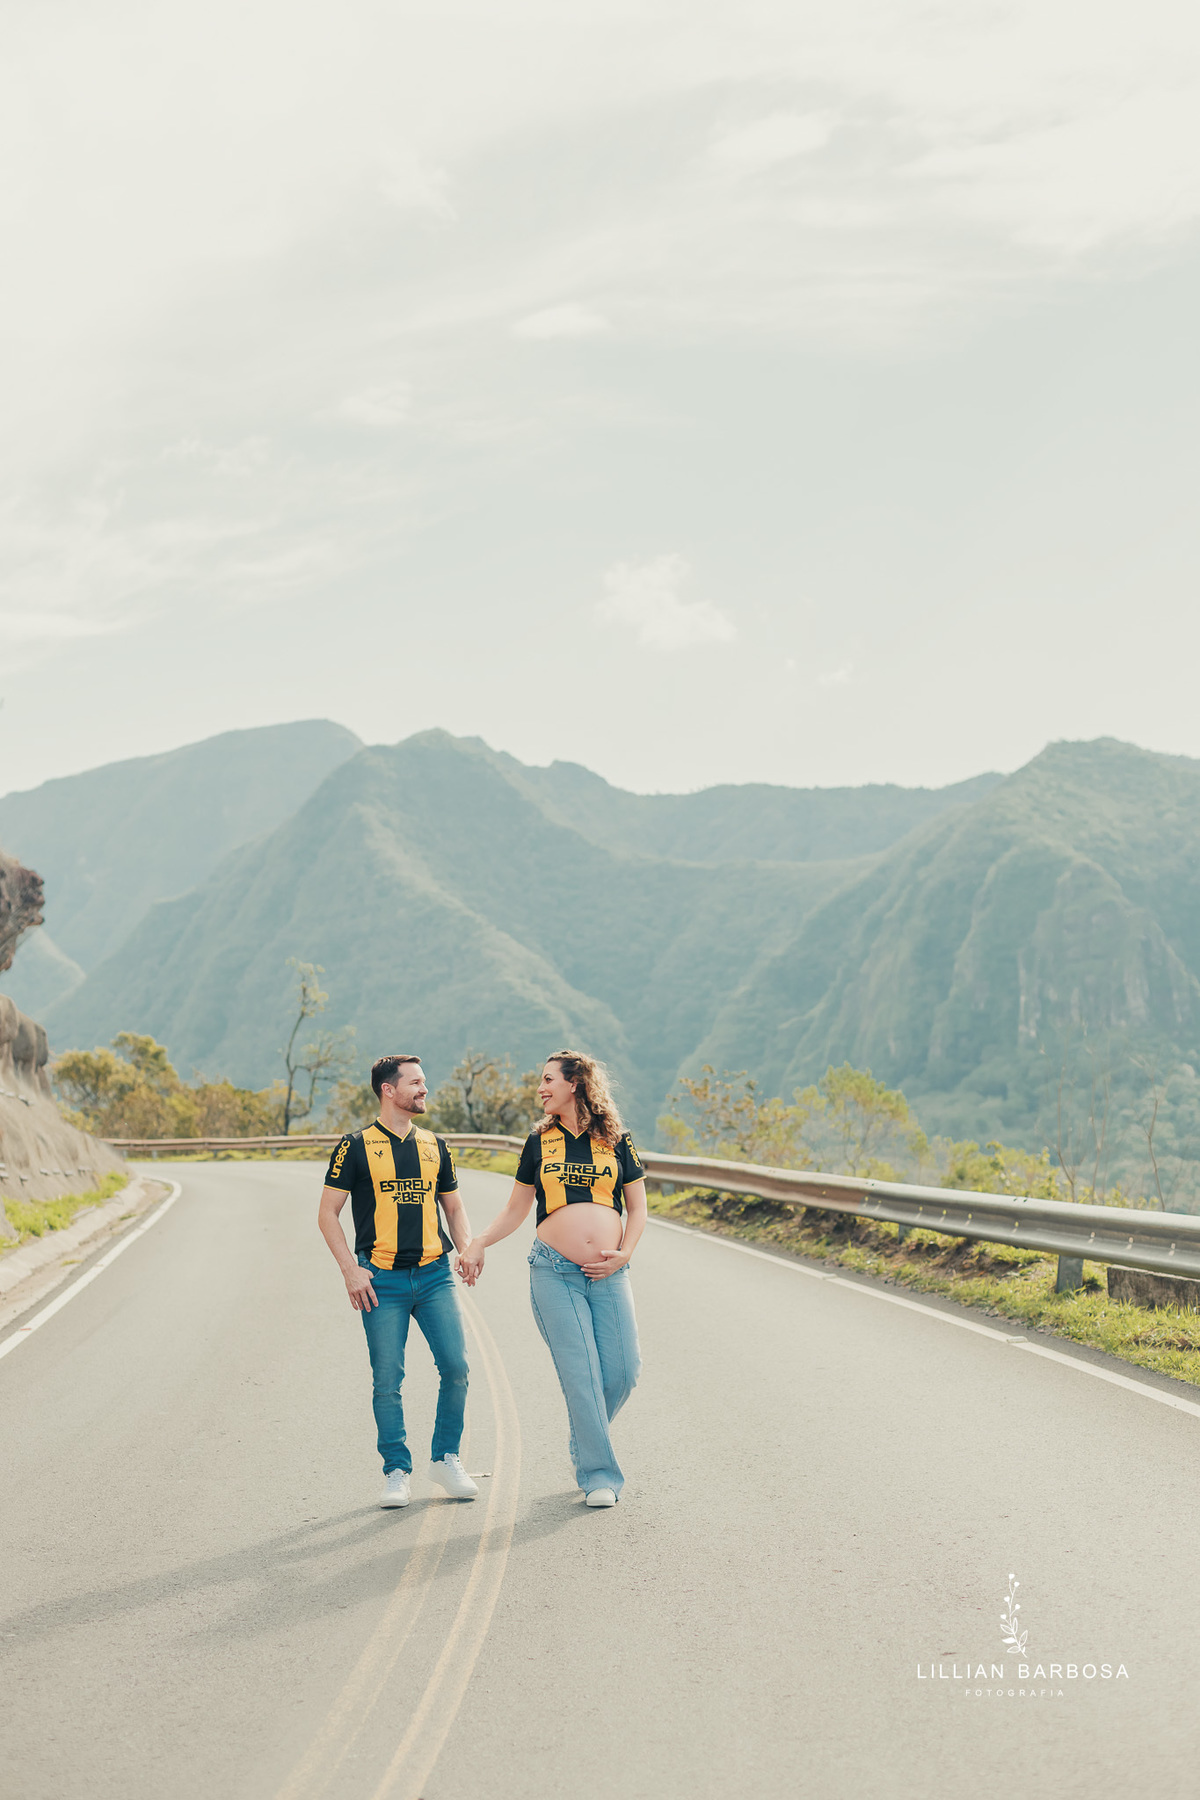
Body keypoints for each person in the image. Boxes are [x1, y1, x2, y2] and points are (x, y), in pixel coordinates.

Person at [458, 1049, 645, 1507]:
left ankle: (585, 1439)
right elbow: (516, 1208)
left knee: (623, 1372)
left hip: (609, 1272)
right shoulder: (539, 1142)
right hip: (554, 1272)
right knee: (581, 1374)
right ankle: (599, 1475)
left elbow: (638, 1207)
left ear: (575, 1082)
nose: (540, 1088)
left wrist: (624, 1255)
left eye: (547, 1080)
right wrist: (479, 1241)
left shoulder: (616, 1139)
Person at [318, 1053, 479, 1509]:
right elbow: (327, 1214)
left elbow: (454, 1207)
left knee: (456, 1368)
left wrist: (465, 1249)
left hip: (434, 1276)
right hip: (381, 1280)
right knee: (388, 1379)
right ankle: (395, 1471)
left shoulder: (436, 1145)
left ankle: (446, 1458)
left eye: (424, 1081)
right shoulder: (355, 1146)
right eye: (415, 1082)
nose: (424, 1089)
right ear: (388, 1090)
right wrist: (351, 1269)